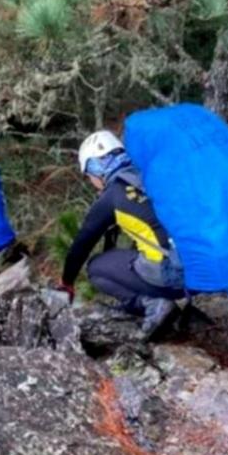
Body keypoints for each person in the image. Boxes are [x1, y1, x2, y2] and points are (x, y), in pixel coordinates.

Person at [58, 131, 184, 340]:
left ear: (96, 167)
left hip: (174, 276)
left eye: (88, 175)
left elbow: (81, 245)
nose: (91, 181)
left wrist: (66, 282)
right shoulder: (154, 175)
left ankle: (154, 305)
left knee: (96, 267)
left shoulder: (114, 195)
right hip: (202, 269)